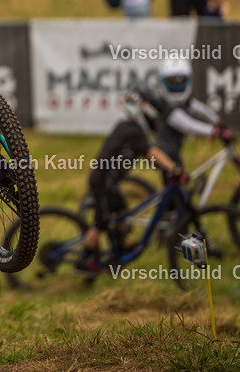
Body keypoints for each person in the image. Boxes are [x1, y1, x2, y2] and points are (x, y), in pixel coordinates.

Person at [75, 95, 182, 275]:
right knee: (101, 222)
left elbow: (146, 155)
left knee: (122, 212)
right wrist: (173, 167)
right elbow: (151, 152)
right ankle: (82, 262)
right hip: (103, 184)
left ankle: (118, 247)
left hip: (110, 183)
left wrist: (162, 167)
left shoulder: (126, 127)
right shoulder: (133, 132)